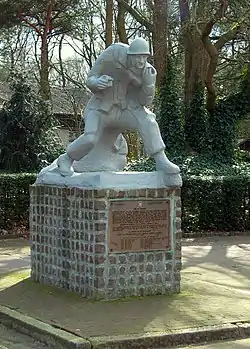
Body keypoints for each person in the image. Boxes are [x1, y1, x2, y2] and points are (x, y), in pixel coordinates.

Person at [57, 37, 180, 176]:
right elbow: (91, 78)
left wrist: (148, 84)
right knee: (90, 138)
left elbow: (144, 102)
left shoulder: (148, 71)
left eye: (144, 57)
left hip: (125, 110)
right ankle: (67, 159)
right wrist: (98, 82)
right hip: (102, 107)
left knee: (148, 121)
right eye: (137, 57)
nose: (140, 61)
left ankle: (161, 160)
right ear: (130, 54)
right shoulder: (114, 53)